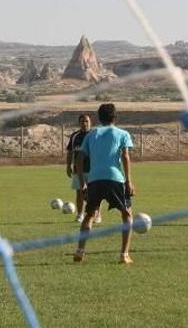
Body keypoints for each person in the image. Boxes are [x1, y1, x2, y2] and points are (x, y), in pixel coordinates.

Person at [73, 103, 135, 264]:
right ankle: (124, 254)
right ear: (115, 117)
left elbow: (79, 159)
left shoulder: (91, 135)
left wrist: (82, 183)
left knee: (89, 215)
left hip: (94, 179)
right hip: (115, 178)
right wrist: (128, 181)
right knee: (127, 214)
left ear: (99, 118)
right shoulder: (123, 134)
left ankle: (80, 251)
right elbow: (126, 157)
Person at [65, 114, 101, 224]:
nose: (84, 123)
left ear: (91, 123)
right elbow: (70, 152)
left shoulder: (96, 135)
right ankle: (80, 214)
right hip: (78, 169)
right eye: (82, 121)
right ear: (79, 123)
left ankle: (97, 214)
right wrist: (68, 165)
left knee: (96, 193)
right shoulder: (75, 136)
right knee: (80, 193)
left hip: (93, 169)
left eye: (86, 121)